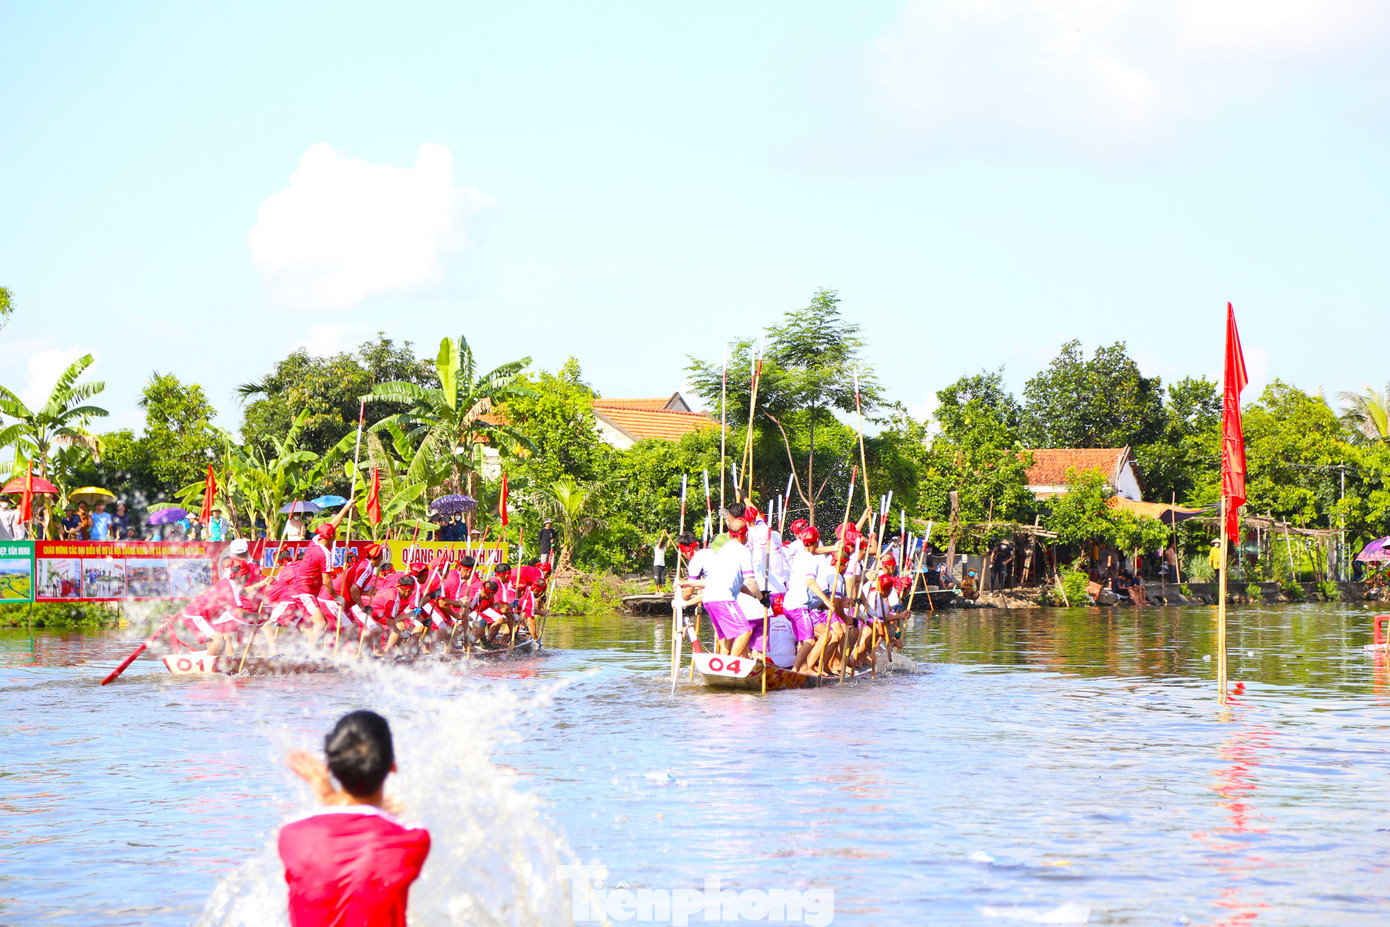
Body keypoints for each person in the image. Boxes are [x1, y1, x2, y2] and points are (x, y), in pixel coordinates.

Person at [280, 711, 430, 927]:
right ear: (392, 766)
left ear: (330, 767)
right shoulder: (412, 839)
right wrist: (332, 798)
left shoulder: (292, 836)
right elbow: (373, 825)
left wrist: (330, 798)